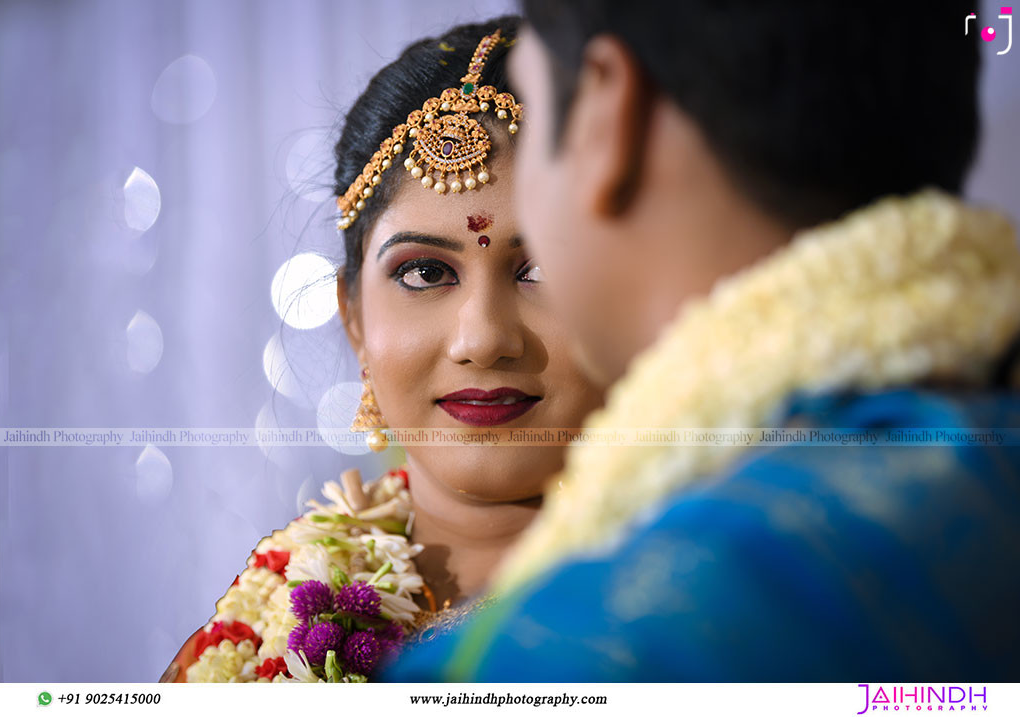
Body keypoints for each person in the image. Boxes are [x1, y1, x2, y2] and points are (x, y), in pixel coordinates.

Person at [383, 2, 1020, 681]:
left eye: (537, 112)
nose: (483, 337)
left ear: (606, 112)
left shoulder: (577, 655)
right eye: (426, 272)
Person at [159, 16, 603, 683]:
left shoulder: (725, 602)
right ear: (354, 318)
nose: (482, 337)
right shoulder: (254, 637)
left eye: (540, 268)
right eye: (425, 272)